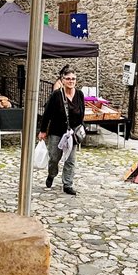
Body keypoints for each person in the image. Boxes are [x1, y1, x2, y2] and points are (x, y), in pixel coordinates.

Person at [38, 65, 85, 196]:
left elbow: (82, 113)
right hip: (57, 131)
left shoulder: (79, 94)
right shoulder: (56, 95)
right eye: (68, 78)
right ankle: (52, 174)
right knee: (54, 157)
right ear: (62, 80)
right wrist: (43, 130)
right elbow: (47, 113)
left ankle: (67, 184)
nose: (71, 81)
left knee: (70, 160)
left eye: (73, 79)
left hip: (72, 133)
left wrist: (80, 128)